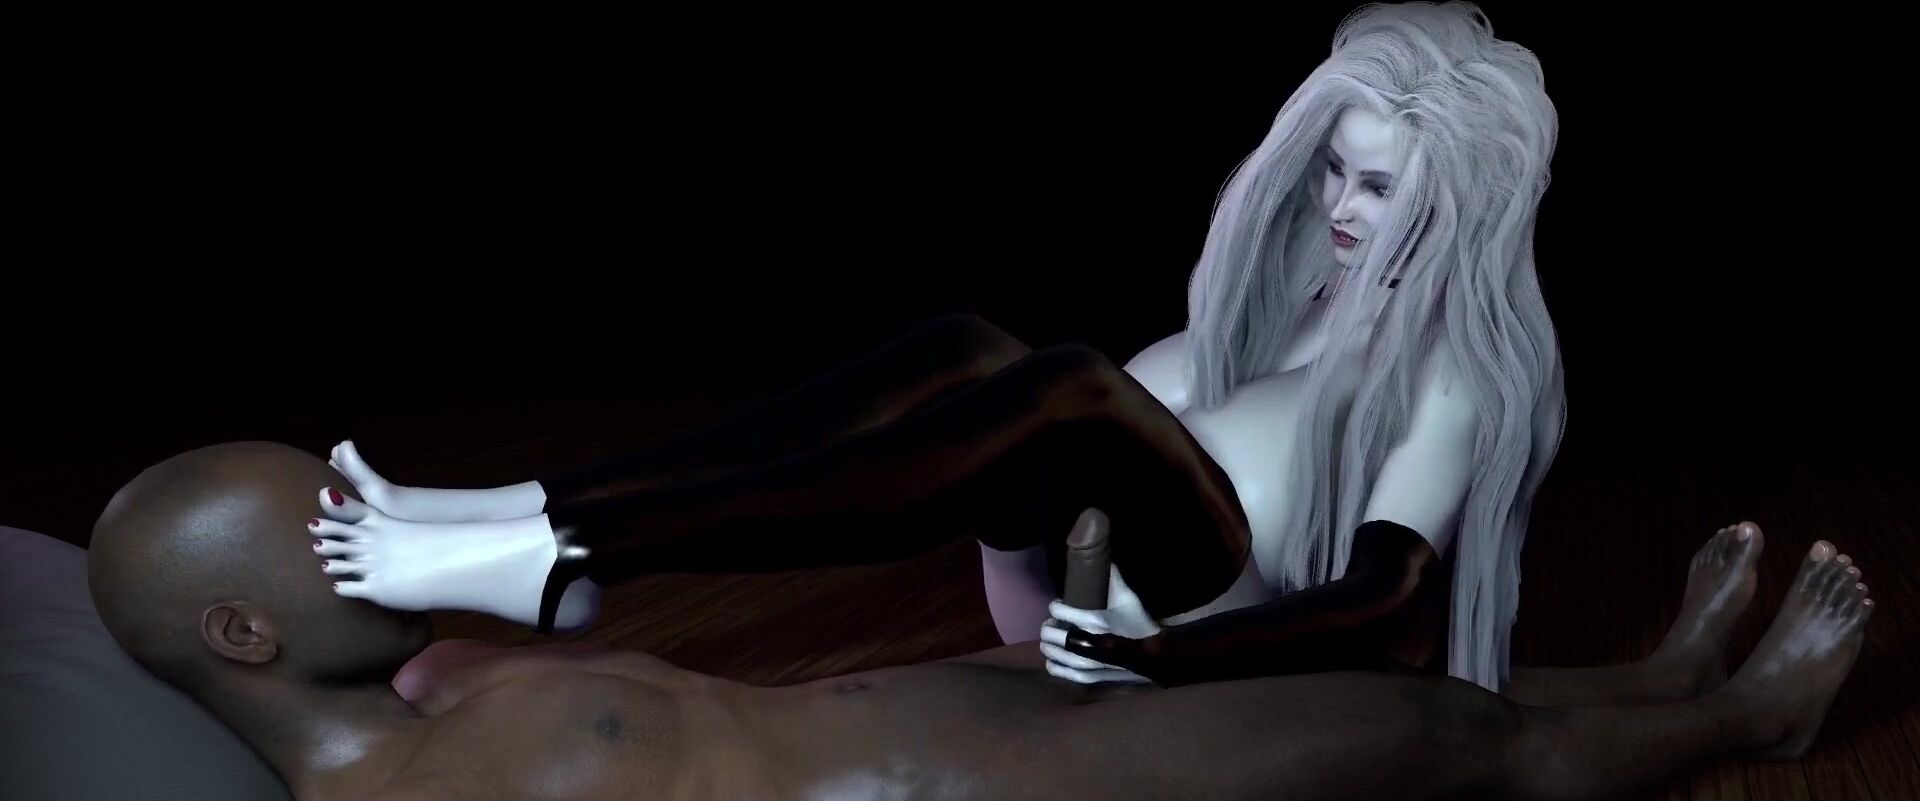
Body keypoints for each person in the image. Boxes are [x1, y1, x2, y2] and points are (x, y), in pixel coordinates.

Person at [89, 441, 1874, 801]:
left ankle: (1657, 680)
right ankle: (1751, 721)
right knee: (1445, 745)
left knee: (1392, 683)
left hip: (964, 704)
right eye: (327, 518)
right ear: (247, 628)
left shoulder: (432, 686)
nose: (371, 510)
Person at [309, 1, 1565, 696]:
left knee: (1072, 387)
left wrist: (1160, 653)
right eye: (1335, 171)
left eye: (1379, 186)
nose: (1340, 206)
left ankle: (564, 545)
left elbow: (1383, 598)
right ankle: (537, 515)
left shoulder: (1449, 375)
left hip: (1191, 648)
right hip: (1062, 590)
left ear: (1459, 200)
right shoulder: (1291, 306)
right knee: (968, 346)